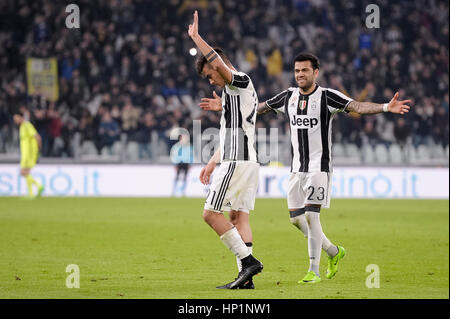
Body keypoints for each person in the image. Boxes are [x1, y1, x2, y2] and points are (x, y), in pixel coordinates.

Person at [201, 52, 411, 284]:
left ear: (315, 73)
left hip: (319, 167)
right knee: (296, 220)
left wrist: (384, 107)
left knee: (311, 216)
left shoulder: (327, 97)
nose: (300, 74)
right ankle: (333, 251)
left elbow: (357, 107)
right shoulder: (288, 96)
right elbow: (256, 108)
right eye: (297, 71)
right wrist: (226, 106)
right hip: (296, 169)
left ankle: (314, 271)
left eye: (305, 71)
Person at [188, 10, 263, 289]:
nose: (211, 82)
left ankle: (248, 263)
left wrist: (197, 38)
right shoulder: (233, 96)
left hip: (238, 160)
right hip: (246, 160)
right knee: (237, 217)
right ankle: (246, 281)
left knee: (210, 213)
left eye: (210, 75)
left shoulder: (239, 79)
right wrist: (211, 162)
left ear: (220, 67)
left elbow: (219, 65)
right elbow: (231, 130)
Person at [13, 111, 44, 198]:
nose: (15, 120)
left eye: (16, 118)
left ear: (20, 117)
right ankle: (31, 193)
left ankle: (38, 186)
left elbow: (37, 137)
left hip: (29, 154)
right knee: (26, 173)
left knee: (23, 172)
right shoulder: (22, 126)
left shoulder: (27, 125)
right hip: (25, 153)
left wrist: (38, 150)